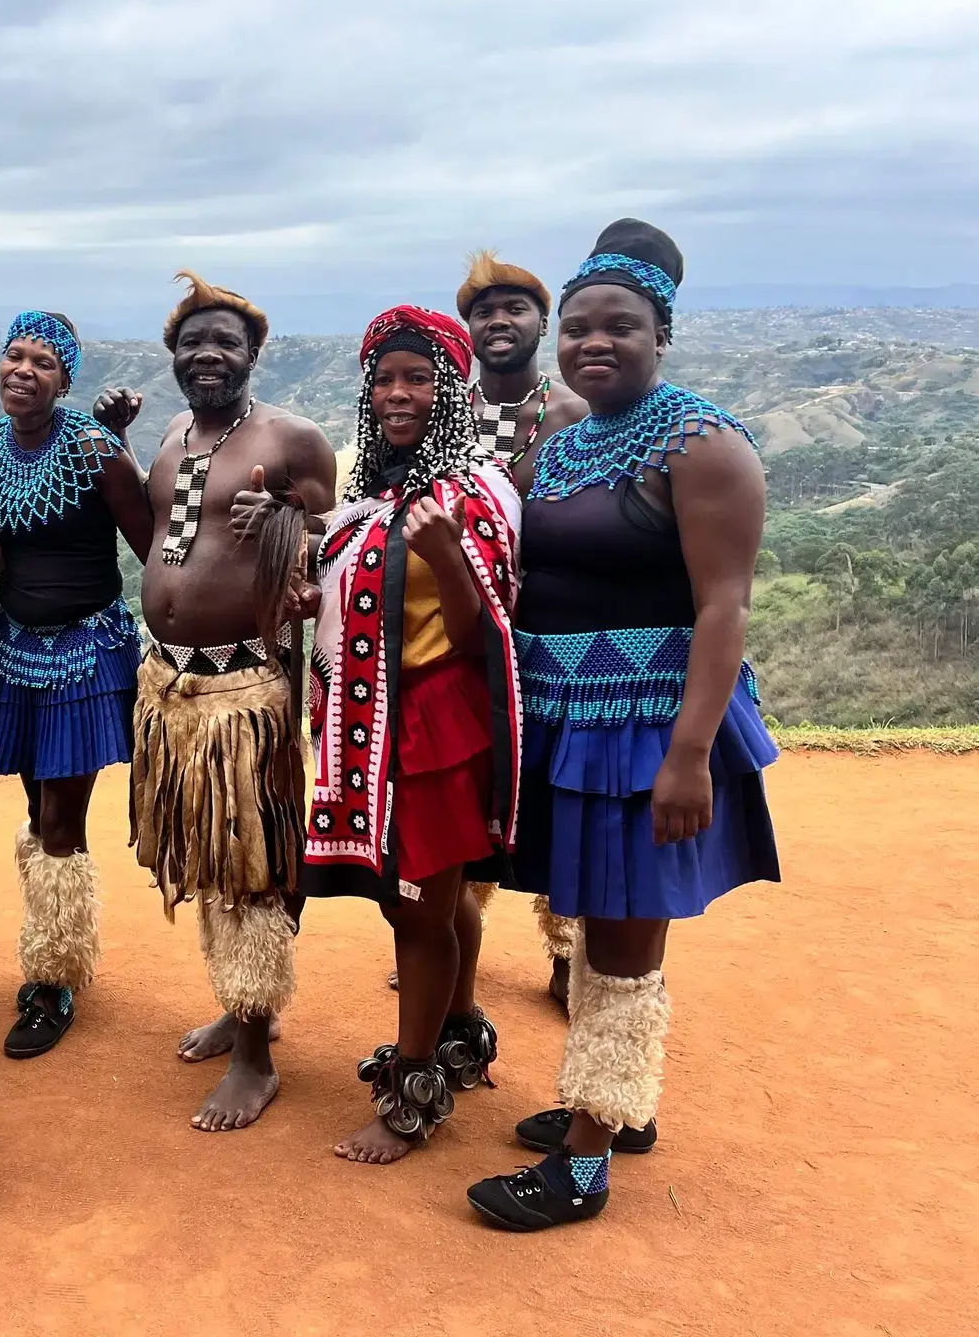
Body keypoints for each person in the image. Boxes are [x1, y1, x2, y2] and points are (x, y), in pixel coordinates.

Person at [466, 219, 780, 1231]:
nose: (592, 343)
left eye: (620, 327)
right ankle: (611, 1107)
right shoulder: (560, 447)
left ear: (661, 333)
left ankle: (584, 1162)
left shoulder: (705, 443)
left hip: (647, 727)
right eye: (576, 328)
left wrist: (687, 756)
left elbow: (722, 608)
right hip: (566, 720)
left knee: (619, 938)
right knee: (602, 918)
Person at [305, 305, 523, 1165]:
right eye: (385, 379)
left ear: (452, 388)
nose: (399, 394)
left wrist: (447, 562)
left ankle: (414, 1089)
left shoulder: (473, 489)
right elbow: (353, 589)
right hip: (373, 719)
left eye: (419, 378)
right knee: (447, 897)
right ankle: (461, 1029)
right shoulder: (374, 483)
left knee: (417, 908)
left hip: (435, 722)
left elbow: (484, 634)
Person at [133, 270, 337, 1131]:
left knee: (254, 865)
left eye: (225, 342)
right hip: (171, 685)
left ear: (254, 353)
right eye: (192, 343)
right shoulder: (173, 436)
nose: (207, 355)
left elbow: (343, 544)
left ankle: (256, 1051)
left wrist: (290, 525)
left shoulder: (295, 439)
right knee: (214, 861)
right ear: (173, 357)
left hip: (247, 689)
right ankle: (240, 1004)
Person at [0, 311, 155, 1059]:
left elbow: (151, 544)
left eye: (42, 362)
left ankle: (52, 979)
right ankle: (58, 945)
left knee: (60, 821)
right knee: (34, 807)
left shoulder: (93, 448)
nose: (23, 370)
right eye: (14, 355)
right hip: (14, 652)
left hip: (85, 653)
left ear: (65, 379)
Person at [457, 250, 590, 1006]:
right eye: (484, 311)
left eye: (514, 310)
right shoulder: (447, 414)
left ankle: (566, 951)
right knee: (468, 787)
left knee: (551, 791)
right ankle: (451, 938)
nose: (498, 321)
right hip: (459, 640)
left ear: (543, 324)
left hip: (546, 640)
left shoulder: (574, 416)